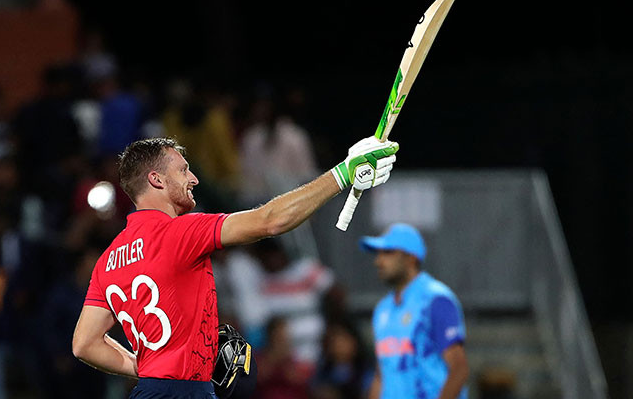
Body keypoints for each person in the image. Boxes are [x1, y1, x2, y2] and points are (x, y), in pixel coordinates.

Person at [71, 136, 398, 399]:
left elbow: (84, 344)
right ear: (156, 180)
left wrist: (146, 369)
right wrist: (342, 174)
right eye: (183, 170)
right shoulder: (181, 232)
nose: (194, 179)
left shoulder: (108, 259)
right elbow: (271, 220)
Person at [360, 224, 469, 399]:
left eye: (388, 252)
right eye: (378, 254)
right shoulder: (382, 309)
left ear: (410, 258)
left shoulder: (435, 300)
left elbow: (458, 369)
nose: (378, 261)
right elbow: (382, 375)